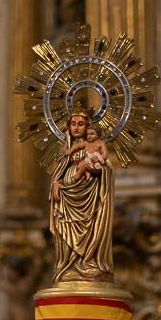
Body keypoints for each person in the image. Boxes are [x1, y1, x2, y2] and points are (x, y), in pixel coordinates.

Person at [50, 111, 114, 283]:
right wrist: (56, 183)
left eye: (81, 124)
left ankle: (89, 261)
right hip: (67, 193)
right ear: (68, 127)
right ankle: (67, 265)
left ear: (88, 127)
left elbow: (106, 166)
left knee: (92, 224)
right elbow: (58, 172)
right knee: (65, 225)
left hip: (91, 193)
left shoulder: (96, 144)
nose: (76, 127)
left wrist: (96, 169)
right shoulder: (66, 149)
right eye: (73, 124)